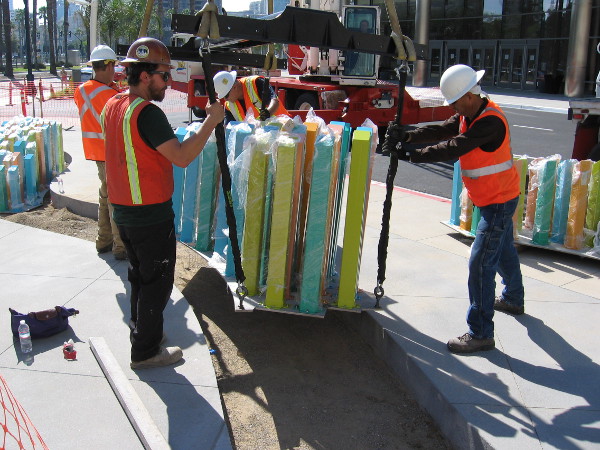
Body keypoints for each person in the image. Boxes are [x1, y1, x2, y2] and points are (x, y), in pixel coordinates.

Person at [383, 64, 525, 354]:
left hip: (498, 200)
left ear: (469, 95)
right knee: (502, 251)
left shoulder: (490, 122)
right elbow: (442, 129)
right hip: (492, 197)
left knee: (481, 263)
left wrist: (410, 155)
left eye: (454, 101)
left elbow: (453, 146)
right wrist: (408, 135)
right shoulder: (468, 114)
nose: (453, 107)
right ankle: (513, 297)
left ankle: (481, 332)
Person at [102, 37, 225, 369]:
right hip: (149, 214)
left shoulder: (113, 105)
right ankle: (145, 351)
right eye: (164, 75)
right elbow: (182, 157)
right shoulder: (148, 114)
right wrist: (211, 122)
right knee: (156, 282)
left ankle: (140, 328)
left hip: (124, 212)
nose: (169, 83)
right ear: (144, 76)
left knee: (139, 275)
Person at [74, 44, 127, 260]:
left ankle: (103, 240)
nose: (115, 70)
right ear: (106, 65)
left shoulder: (81, 90)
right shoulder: (111, 94)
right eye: (113, 65)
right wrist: (116, 90)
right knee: (115, 198)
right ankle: (120, 247)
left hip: (95, 153)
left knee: (105, 194)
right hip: (111, 153)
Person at [212, 70, 288, 124]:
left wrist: (267, 114)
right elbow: (228, 129)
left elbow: (275, 101)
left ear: (234, 87)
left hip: (283, 128)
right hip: (260, 138)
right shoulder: (229, 106)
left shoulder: (255, 83)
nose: (226, 99)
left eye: (226, 95)